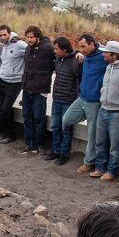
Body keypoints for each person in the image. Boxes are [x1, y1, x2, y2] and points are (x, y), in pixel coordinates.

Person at [90, 41, 119, 181]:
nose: (103, 54)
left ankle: (112, 171)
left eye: (106, 52)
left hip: (117, 112)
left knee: (114, 145)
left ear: (114, 54)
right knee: (99, 142)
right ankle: (100, 168)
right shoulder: (109, 65)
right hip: (103, 109)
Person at [67, 33, 108, 174]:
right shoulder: (85, 56)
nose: (82, 49)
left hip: (95, 101)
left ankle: (88, 162)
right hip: (82, 97)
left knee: (92, 134)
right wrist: (78, 53)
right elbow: (72, 52)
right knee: (66, 119)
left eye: (84, 46)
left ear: (92, 44)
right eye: (80, 47)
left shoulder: (103, 55)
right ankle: (87, 116)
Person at [20, 26, 55, 155]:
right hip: (27, 88)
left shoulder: (48, 48)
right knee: (27, 117)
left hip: (40, 89)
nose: (29, 39)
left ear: (38, 37)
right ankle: (30, 144)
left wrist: (77, 54)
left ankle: (40, 144)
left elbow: (62, 53)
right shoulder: (28, 48)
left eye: (31, 37)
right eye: (27, 37)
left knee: (38, 118)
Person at [47, 36, 81, 164]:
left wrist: (78, 53)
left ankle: (64, 153)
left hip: (69, 99)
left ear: (64, 49)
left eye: (56, 49)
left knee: (65, 128)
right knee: (55, 126)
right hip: (57, 98)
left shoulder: (76, 60)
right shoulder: (57, 58)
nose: (54, 51)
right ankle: (55, 151)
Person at [0, 25, 26, 144]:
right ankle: (9, 134)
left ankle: (1, 130)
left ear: (9, 33)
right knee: (6, 108)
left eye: (4, 35)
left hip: (15, 82)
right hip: (2, 80)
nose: (2, 37)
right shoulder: (3, 45)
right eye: (0, 35)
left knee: (4, 110)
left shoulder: (19, 44)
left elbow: (31, 51)